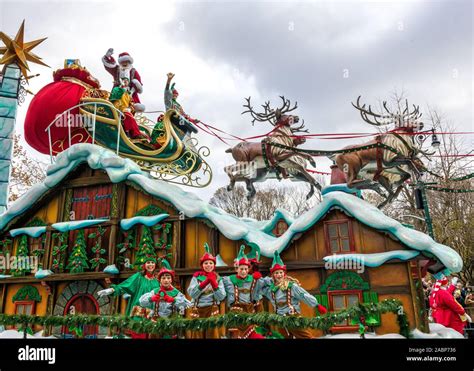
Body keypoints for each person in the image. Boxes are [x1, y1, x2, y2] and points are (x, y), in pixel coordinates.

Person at [261, 251, 327, 339]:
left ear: (284, 274)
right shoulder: (271, 289)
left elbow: (303, 295)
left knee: (305, 336)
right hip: (279, 319)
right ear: (273, 275)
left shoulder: (291, 286)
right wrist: (257, 277)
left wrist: (316, 304)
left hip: (292, 317)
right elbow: (260, 287)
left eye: (281, 272)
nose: (279, 275)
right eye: (276, 273)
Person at [97, 256, 159, 338]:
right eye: (148, 262)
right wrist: (112, 290)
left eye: (152, 262)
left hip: (151, 314)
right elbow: (125, 286)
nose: (150, 264)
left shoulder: (157, 281)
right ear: (144, 265)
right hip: (138, 312)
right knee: (138, 334)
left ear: (155, 265)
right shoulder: (139, 277)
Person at [139, 260, 191, 338]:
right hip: (156, 322)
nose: (166, 280)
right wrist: (151, 298)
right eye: (163, 278)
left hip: (171, 323)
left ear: (171, 280)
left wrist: (174, 300)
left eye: (168, 278)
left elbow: (187, 304)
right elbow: (141, 302)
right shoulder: (155, 291)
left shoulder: (176, 292)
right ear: (160, 280)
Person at [222, 246, 265, 339]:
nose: (244, 271)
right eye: (241, 269)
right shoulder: (228, 280)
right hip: (236, 311)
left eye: (246, 269)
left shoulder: (253, 280)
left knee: (255, 332)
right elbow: (218, 283)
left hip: (250, 310)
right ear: (237, 269)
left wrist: (259, 278)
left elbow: (263, 288)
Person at [187, 243, 226, 339]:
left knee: (212, 335)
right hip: (197, 309)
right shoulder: (196, 277)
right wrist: (205, 282)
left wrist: (214, 283)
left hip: (212, 309)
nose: (208, 265)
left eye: (211, 263)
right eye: (206, 263)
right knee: (197, 335)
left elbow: (221, 297)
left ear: (214, 265)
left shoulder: (218, 278)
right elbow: (192, 294)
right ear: (202, 265)